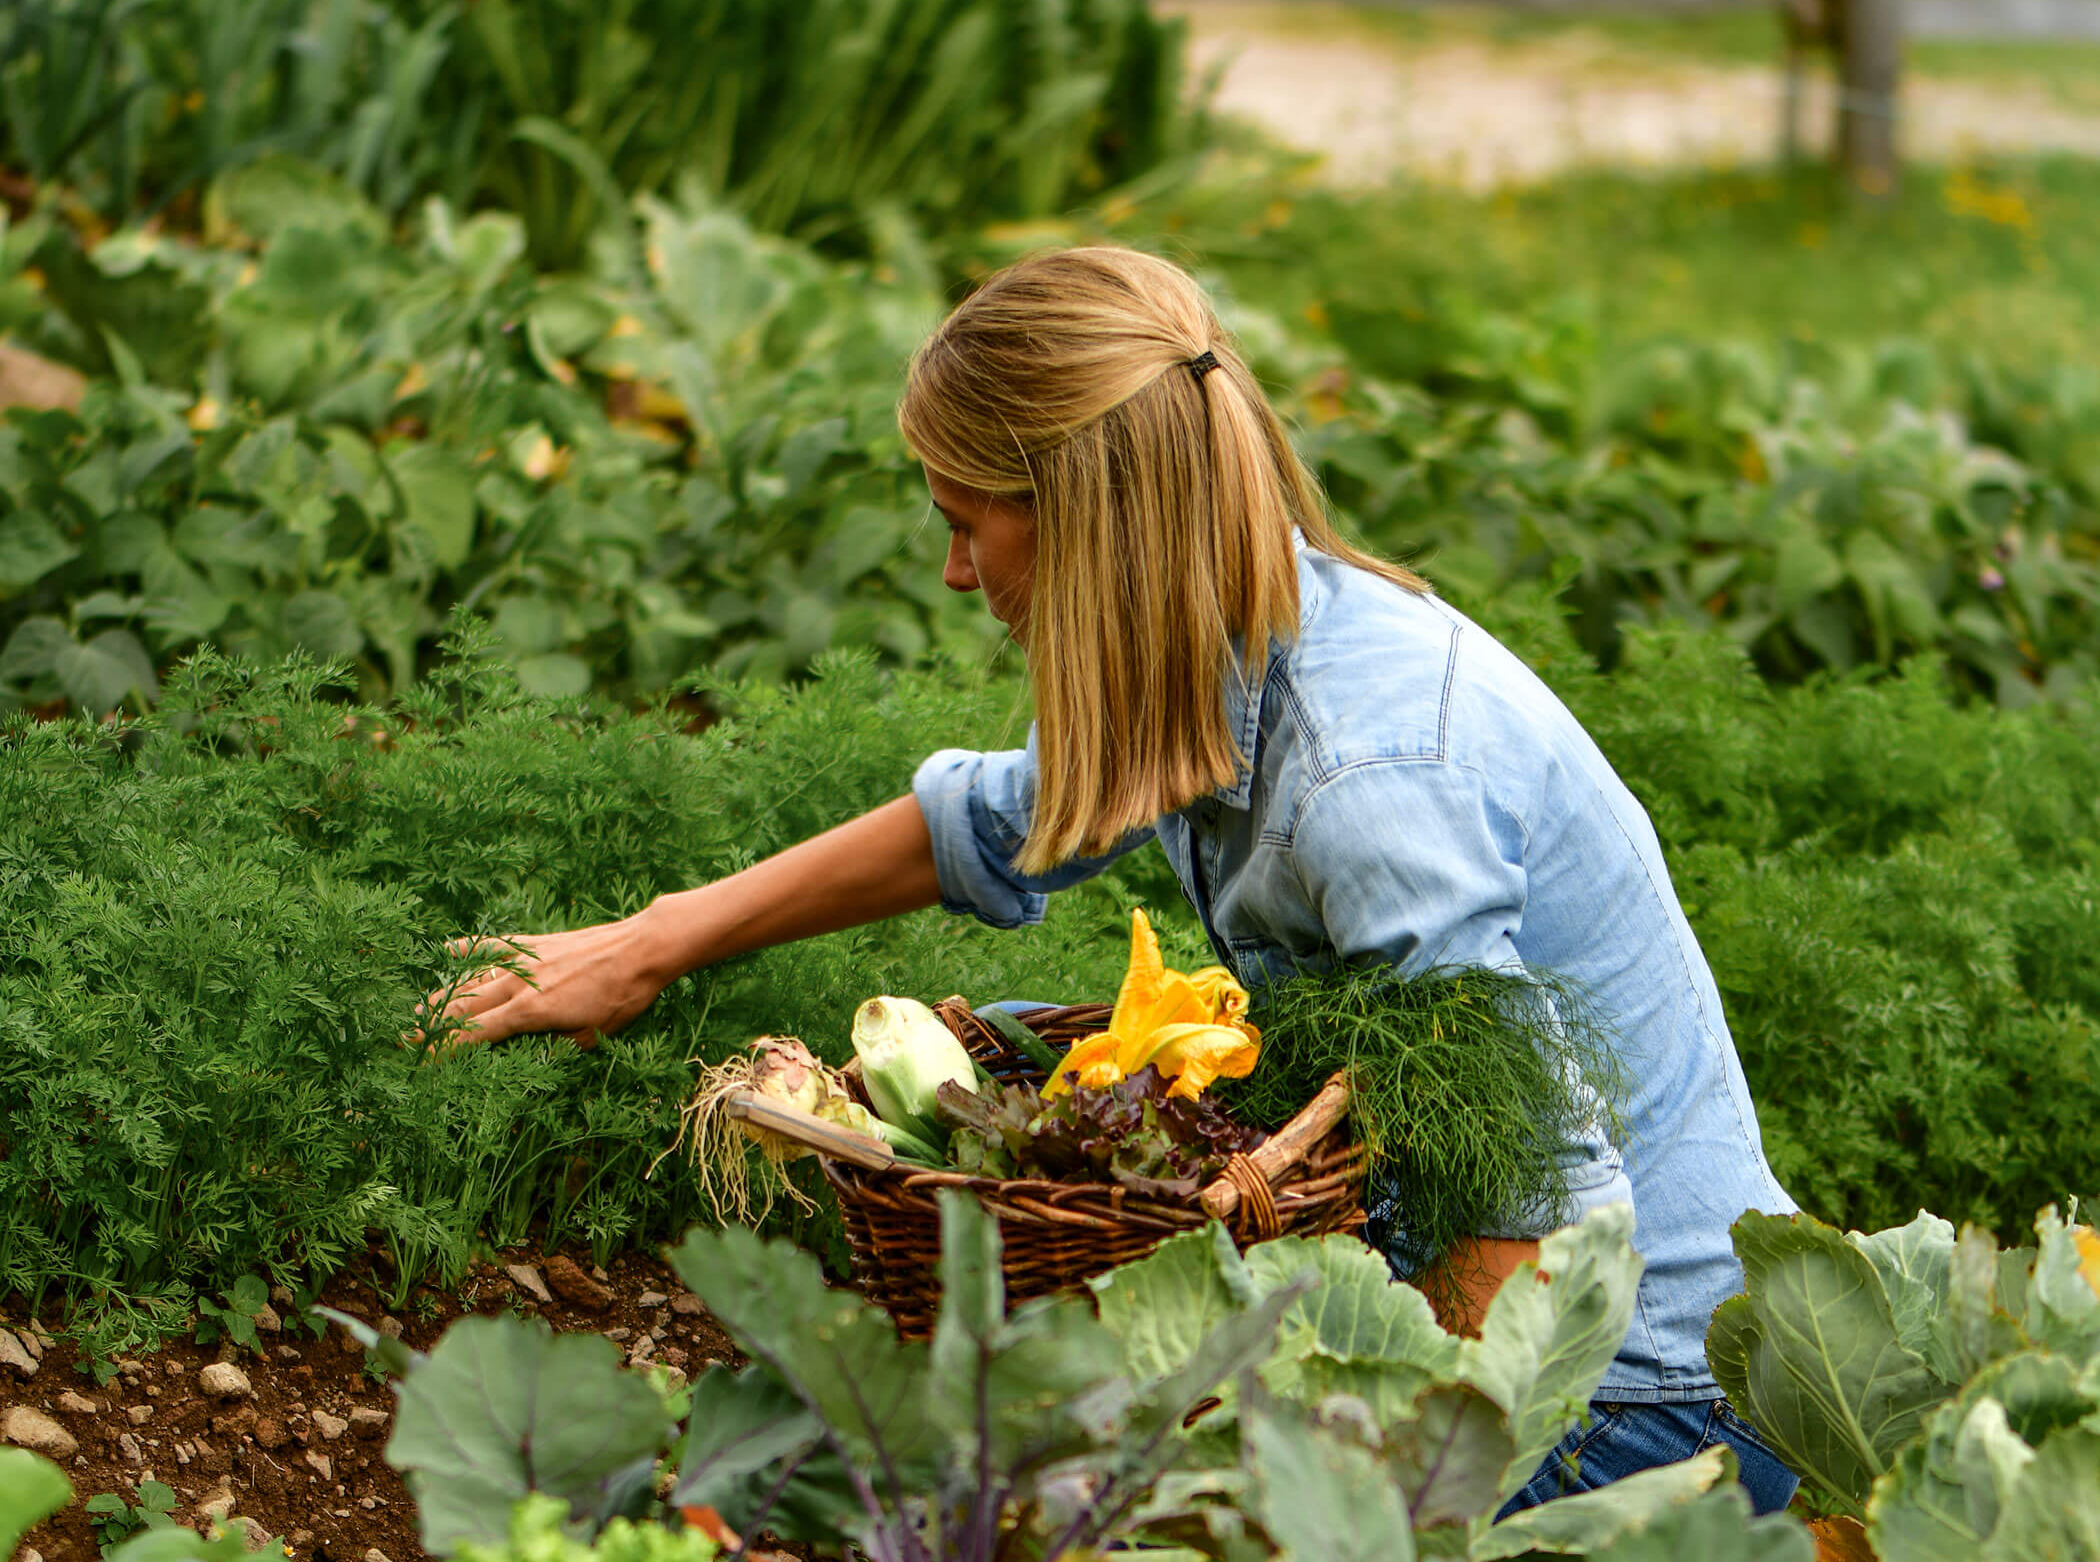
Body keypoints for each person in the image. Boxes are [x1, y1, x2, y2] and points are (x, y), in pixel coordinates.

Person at [427, 246, 1801, 1515]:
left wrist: (1369, 1504)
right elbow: (993, 820)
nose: (956, 571)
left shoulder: (1370, 779)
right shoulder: (1234, 640)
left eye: (970, 525)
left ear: (1090, 518)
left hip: (1640, 1409)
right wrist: (652, 942)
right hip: (1505, 1314)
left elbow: (1521, 1203)